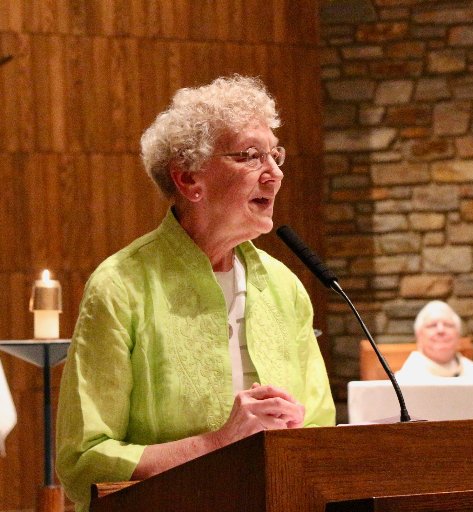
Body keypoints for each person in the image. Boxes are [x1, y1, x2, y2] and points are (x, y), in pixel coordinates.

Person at [56, 75, 335, 511]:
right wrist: (219, 442)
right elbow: (85, 461)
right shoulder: (121, 286)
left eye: (275, 155)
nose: (275, 174)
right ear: (189, 180)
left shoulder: (284, 287)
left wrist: (299, 438)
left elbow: (321, 426)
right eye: (250, 156)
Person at [396, 300, 473, 379]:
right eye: (432, 325)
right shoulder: (405, 381)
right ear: (419, 336)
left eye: (448, 325)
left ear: (459, 336)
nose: (441, 330)